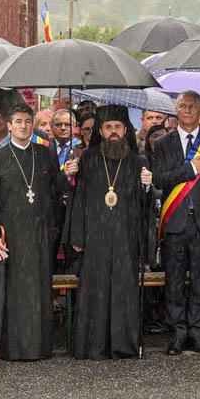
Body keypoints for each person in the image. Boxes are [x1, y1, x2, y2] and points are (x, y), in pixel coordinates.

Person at [0, 104, 65, 362]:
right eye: (18, 121)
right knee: (15, 293)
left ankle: (40, 347)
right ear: (9, 125)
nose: (23, 126)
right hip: (11, 238)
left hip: (40, 235)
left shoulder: (45, 154)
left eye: (28, 121)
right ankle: (14, 348)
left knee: (39, 291)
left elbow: (57, 191)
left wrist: (69, 172)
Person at [64, 107, 150, 360]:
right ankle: (95, 345)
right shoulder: (87, 160)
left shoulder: (136, 161)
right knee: (95, 289)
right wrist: (77, 237)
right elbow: (78, 200)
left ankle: (123, 345)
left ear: (125, 130)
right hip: (95, 237)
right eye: (108, 127)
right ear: (100, 131)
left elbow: (143, 206)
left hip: (125, 236)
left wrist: (146, 186)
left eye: (118, 127)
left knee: (123, 290)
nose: (114, 132)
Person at [146, 90, 200, 355]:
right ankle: (178, 332)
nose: (188, 110)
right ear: (176, 109)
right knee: (174, 281)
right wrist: (191, 169)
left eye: (193, 106)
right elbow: (159, 179)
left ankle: (196, 331)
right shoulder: (163, 143)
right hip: (175, 222)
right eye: (183, 105)